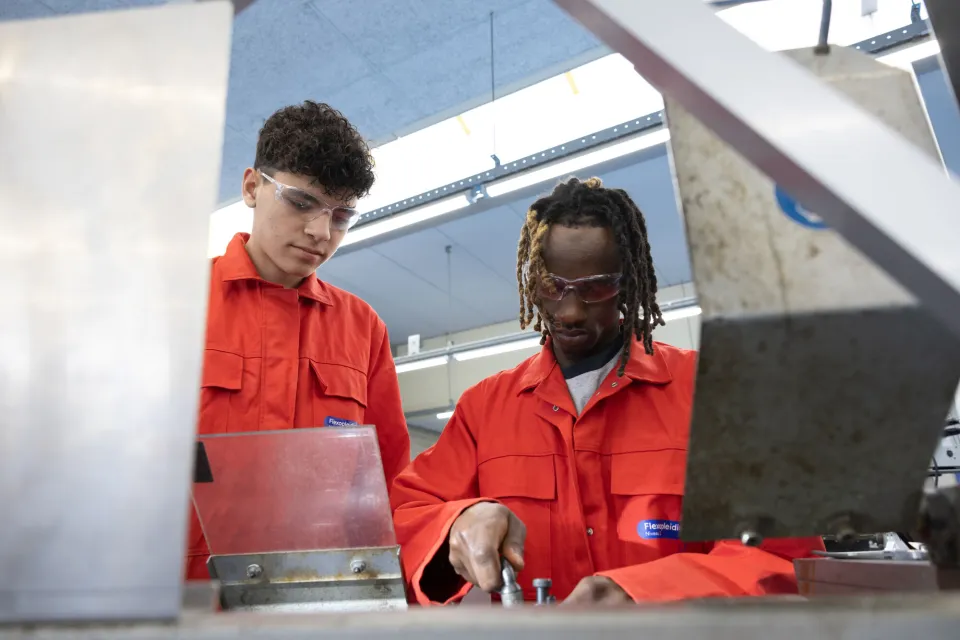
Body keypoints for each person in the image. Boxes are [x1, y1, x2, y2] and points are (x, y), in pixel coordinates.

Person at [391, 176, 823, 605]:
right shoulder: (484, 410)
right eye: (552, 286)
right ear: (532, 283)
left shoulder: (714, 392)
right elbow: (404, 516)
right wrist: (456, 521)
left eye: (596, 287)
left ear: (629, 282)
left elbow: (781, 554)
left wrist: (643, 594)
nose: (572, 311)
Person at [185, 101, 410, 579]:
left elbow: (388, 485)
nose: (320, 232)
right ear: (251, 187)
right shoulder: (173, 306)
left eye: (342, 216)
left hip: (318, 595)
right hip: (187, 600)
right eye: (301, 202)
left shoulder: (362, 329)